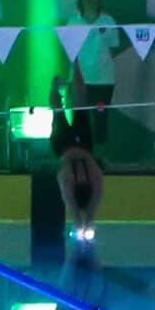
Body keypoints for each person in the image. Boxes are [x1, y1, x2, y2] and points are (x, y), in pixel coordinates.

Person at [49, 74, 103, 243]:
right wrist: (89, 221)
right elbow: (97, 186)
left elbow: (69, 198)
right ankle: (76, 63)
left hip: (63, 147)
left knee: (58, 110)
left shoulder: (67, 184)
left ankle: (54, 86)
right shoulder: (95, 183)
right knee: (81, 104)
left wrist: (79, 222)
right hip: (84, 145)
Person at [71, 0, 124, 154]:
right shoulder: (73, 22)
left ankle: (99, 157)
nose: (90, 1)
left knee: (101, 119)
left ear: (98, 0)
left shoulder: (108, 21)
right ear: (81, 1)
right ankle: (81, 156)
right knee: (80, 119)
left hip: (103, 79)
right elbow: (69, 50)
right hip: (80, 78)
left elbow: (114, 47)